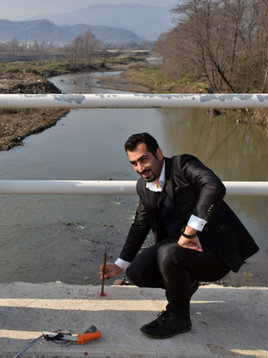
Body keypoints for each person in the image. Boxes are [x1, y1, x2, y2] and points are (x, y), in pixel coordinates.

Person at [101, 132, 259, 339]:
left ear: (158, 153)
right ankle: (185, 284)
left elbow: (214, 186)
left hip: (212, 251)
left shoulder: (183, 165)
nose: (140, 168)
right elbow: (140, 224)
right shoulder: (144, 186)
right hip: (176, 251)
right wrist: (120, 264)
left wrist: (190, 230)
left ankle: (178, 317)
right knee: (136, 272)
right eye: (134, 163)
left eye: (144, 159)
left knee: (168, 253)